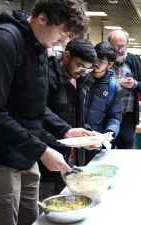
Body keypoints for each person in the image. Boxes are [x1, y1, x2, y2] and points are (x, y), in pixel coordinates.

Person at [0, 1, 92, 224]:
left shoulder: (39, 47)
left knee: (33, 219)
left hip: (27, 156)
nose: (64, 41)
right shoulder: (2, 43)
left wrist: (65, 131)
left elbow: (36, 106)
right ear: (42, 18)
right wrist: (42, 150)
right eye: (63, 32)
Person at [39, 38, 97, 200]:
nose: (83, 72)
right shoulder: (47, 76)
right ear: (67, 55)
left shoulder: (81, 78)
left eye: (88, 69)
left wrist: (87, 134)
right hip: (48, 160)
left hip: (72, 160)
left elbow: (72, 114)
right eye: (80, 66)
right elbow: (39, 117)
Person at [108, 30, 141, 149]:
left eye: (123, 46)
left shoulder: (133, 59)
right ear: (109, 46)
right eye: (116, 47)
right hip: (105, 117)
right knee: (104, 154)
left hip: (127, 117)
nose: (120, 50)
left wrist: (134, 85)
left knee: (126, 154)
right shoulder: (103, 59)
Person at [84, 42, 124, 164]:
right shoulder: (79, 78)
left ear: (110, 64)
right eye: (95, 58)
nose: (96, 63)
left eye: (101, 61)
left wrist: (110, 132)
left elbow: (115, 117)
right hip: (74, 137)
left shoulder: (114, 88)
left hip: (95, 142)